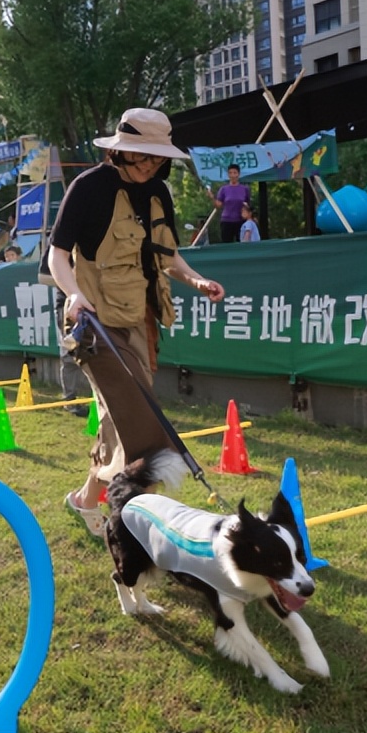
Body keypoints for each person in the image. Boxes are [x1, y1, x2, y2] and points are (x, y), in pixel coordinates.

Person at [47, 108, 225, 536]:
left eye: (157, 157)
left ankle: (87, 499)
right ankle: (140, 520)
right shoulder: (87, 188)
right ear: (121, 151)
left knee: (120, 414)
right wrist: (73, 293)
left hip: (142, 319)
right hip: (95, 323)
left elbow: (168, 257)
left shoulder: (159, 192)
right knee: (138, 418)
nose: (150, 164)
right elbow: (57, 255)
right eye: (142, 156)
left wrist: (197, 280)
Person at [55, 287, 91, 418]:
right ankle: (70, 401)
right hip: (67, 308)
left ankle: (102, 400)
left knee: (97, 354)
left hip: (94, 305)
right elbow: (45, 277)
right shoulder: (58, 266)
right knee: (69, 357)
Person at [208, 163, 251, 243]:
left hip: (240, 221)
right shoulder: (224, 189)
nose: (233, 175)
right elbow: (218, 205)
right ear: (228, 175)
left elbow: (248, 205)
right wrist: (212, 197)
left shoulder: (244, 189)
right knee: (226, 244)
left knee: (242, 244)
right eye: (230, 173)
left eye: (235, 173)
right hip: (227, 221)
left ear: (238, 174)